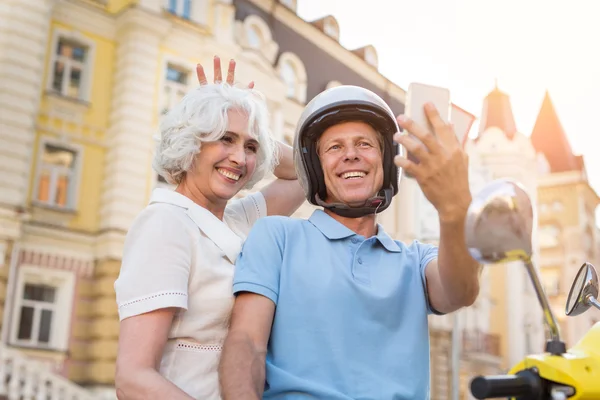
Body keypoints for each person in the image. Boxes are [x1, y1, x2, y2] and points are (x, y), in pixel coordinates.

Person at [219, 85, 482, 399]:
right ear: (316, 168)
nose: (351, 154)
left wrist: (455, 206)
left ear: (386, 162)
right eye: (333, 147)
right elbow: (246, 342)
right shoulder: (277, 236)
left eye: (364, 144)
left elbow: (462, 290)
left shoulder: (416, 260)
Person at [113, 57, 306, 400]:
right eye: (224, 139)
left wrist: (249, 122)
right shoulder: (166, 223)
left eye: (250, 148)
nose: (239, 158)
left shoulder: (239, 220)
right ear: (192, 142)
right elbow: (132, 378)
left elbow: (305, 175)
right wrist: (212, 112)